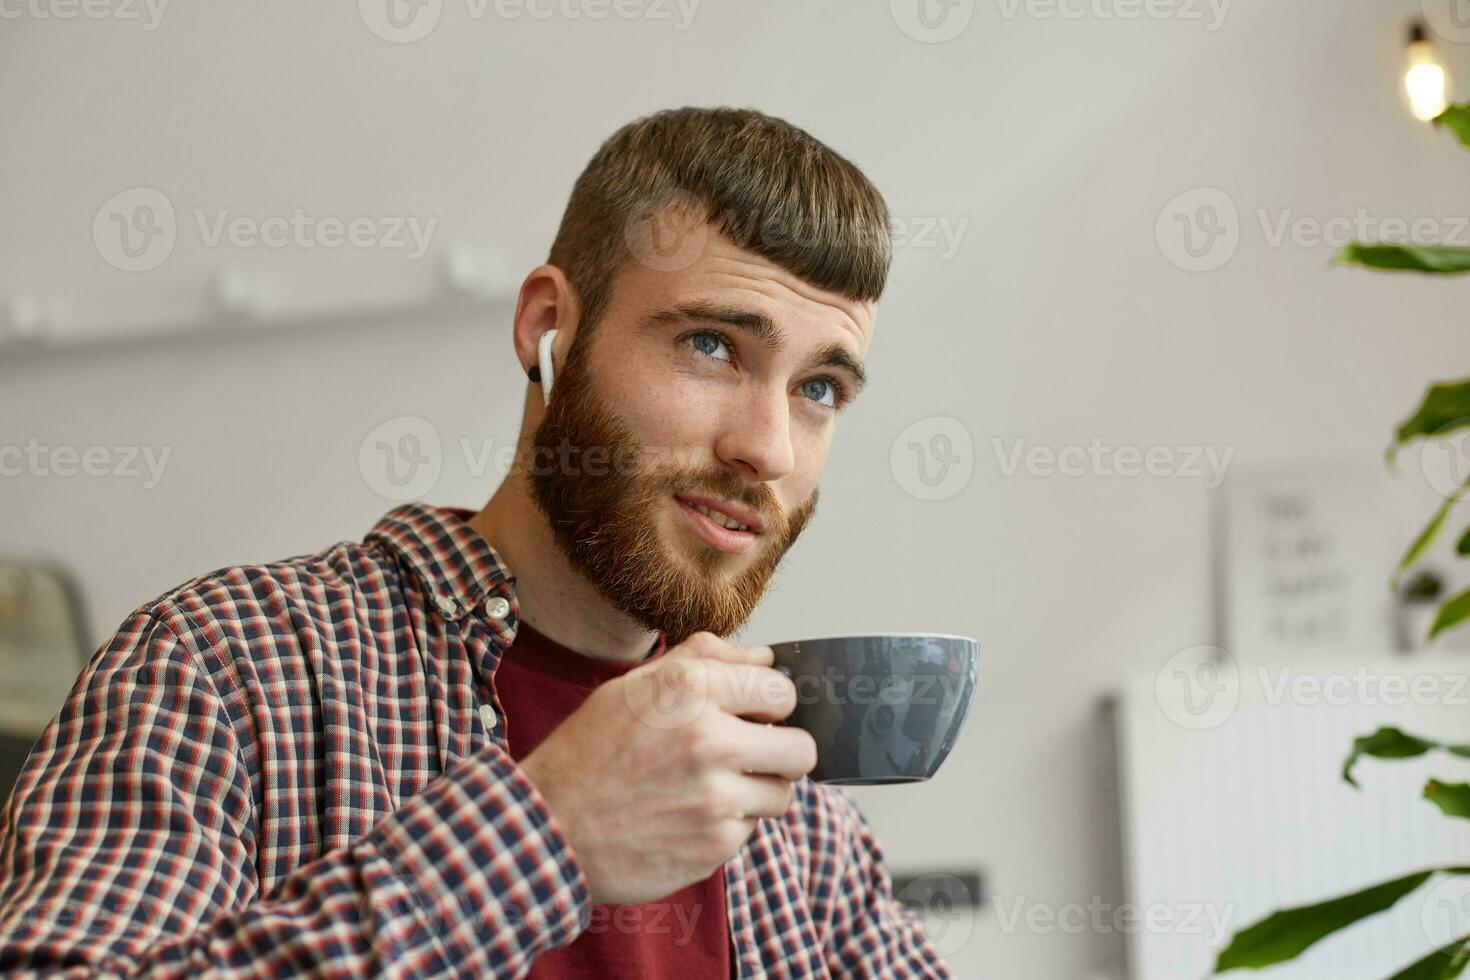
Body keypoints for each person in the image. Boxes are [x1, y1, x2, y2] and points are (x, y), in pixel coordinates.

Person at [0, 106, 949, 978]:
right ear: (549, 329)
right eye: (710, 345)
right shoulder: (225, 667)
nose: (768, 449)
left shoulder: (804, 825)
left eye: (819, 389)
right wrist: (542, 840)